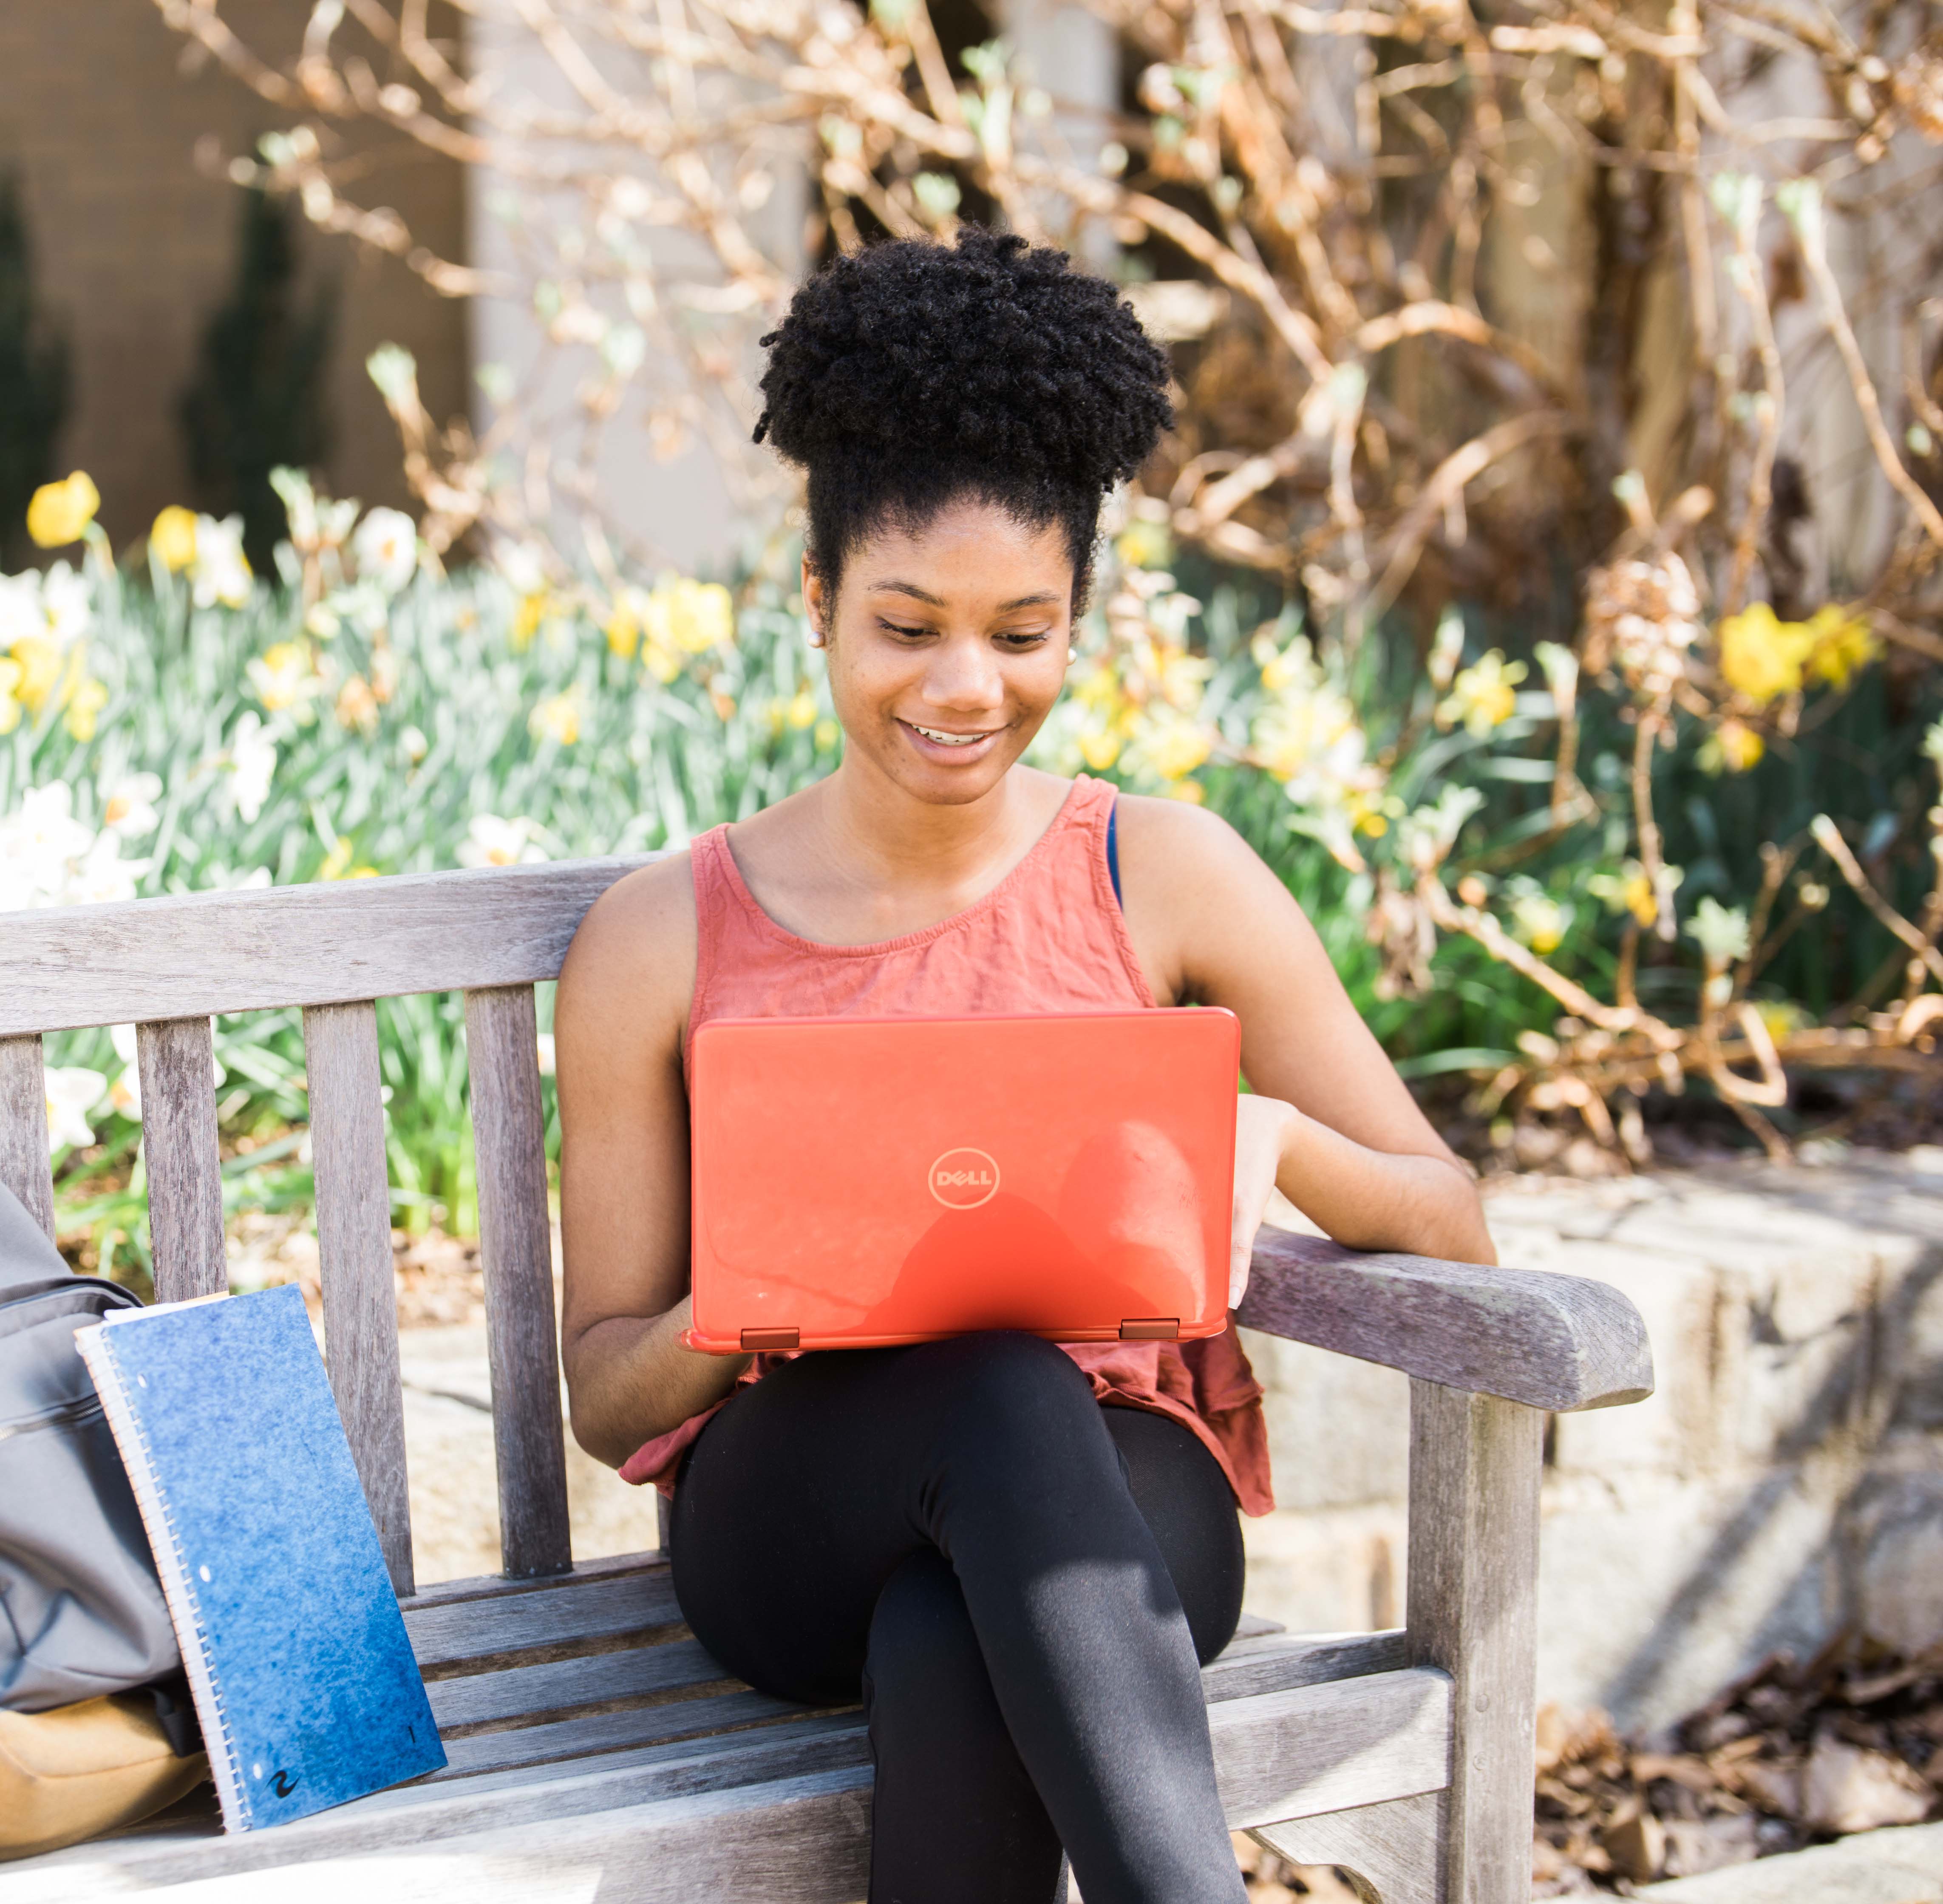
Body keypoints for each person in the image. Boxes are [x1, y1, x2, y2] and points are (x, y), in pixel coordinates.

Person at [555, 229, 1496, 1904]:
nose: (966, 687)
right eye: (908, 624)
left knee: (958, 1627)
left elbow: (1449, 1210)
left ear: (1079, 619)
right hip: (791, 1513)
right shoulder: (660, 936)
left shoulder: (1172, 873)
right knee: (994, 1385)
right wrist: (757, 1293)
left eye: (1023, 631)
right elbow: (606, 1390)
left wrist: (1267, 1145)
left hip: (1120, 1501)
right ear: (820, 599)